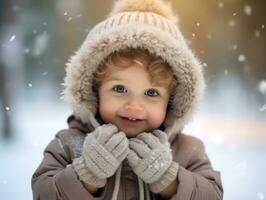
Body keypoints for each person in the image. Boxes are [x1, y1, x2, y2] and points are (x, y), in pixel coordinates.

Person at [31, 0, 223, 199]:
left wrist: (169, 180)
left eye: (151, 93)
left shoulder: (187, 150)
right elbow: (43, 193)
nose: (134, 106)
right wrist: (87, 174)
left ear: (172, 101)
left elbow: (213, 195)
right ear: (95, 91)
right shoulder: (70, 144)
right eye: (120, 88)